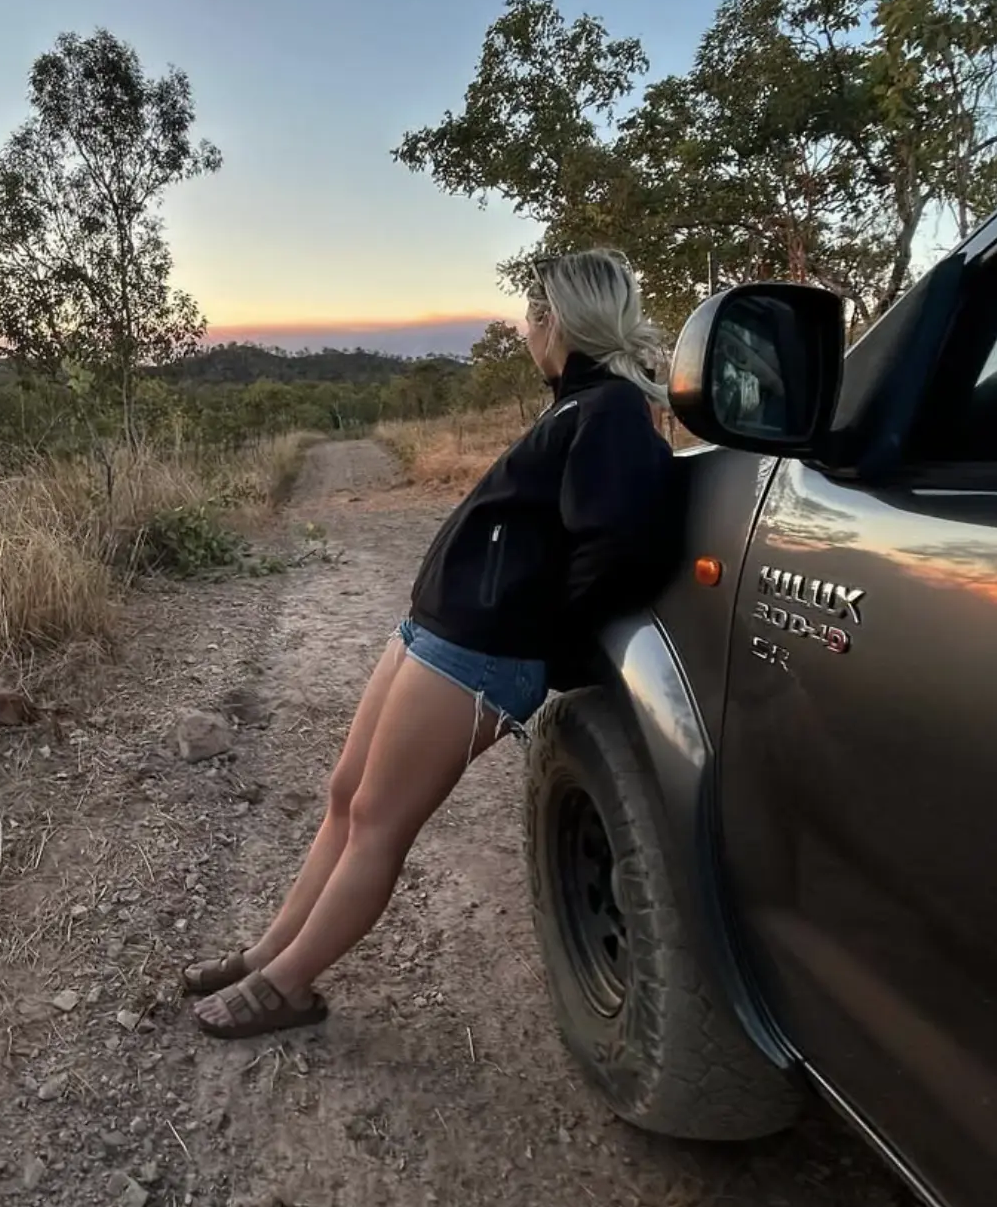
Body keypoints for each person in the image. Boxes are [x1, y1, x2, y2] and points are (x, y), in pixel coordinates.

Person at [187, 249, 679, 1039]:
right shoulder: (576, 403)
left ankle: (288, 986)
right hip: (436, 631)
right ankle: (268, 950)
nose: (524, 328)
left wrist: (544, 641)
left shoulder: (613, 409)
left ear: (553, 320)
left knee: (380, 818)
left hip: (481, 651)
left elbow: (622, 546)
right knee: (346, 795)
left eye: (530, 313)